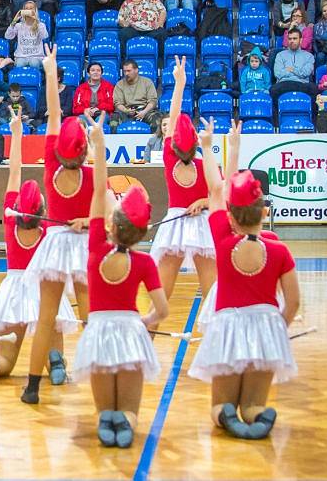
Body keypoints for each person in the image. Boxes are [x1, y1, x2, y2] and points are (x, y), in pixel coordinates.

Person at [190, 121, 299, 440]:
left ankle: (226, 416)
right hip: (265, 328)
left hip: (227, 328)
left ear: (231, 216)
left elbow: (216, 190)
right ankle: (257, 415)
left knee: (220, 404)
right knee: (253, 403)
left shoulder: (223, 241)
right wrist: (277, 330)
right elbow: (292, 302)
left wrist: (210, 145)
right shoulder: (280, 251)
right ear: (263, 213)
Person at [78, 113, 168, 448]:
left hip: (99, 331)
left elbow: (98, 187)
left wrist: (98, 146)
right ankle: (126, 422)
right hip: (130, 331)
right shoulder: (144, 262)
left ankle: (107, 421)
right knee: (129, 410)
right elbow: (161, 310)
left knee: (106, 412)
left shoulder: (95, 248)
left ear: (111, 224)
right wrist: (142, 322)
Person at [0, 107, 77, 387]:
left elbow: (15, 170)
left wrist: (17, 134)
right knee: (51, 359)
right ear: (42, 209)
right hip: (43, 291)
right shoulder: (50, 228)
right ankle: (56, 362)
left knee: (7, 363)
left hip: (13, 292)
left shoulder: (10, 220)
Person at [20, 44, 92, 406]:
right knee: (91, 318)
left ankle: (32, 386)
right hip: (82, 245)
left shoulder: (50, 162)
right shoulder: (92, 174)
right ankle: (100, 379)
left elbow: (53, 112)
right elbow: (107, 216)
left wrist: (50, 72)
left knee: (46, 318)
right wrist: (88, 220)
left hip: (54, 243)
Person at [149, 56, 215, 313]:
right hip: (203, 227)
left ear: (172, 141)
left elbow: (173, 117)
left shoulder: (168, 158)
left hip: (174, 225)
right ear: (198, 142)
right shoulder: (205, 164)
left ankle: (147, 339)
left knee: (160, 300)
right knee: (212, 297)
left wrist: (180, 83)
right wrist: (204, 201)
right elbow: (221, 195)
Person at [112, 58, 160, 131]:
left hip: (145, 110)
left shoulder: (147, 82)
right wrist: (126, 110)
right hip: (127, 111)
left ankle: (154, 141)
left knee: (156, 119)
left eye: (129, 71)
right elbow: (117, 103)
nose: (126, 74)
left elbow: (153, 101)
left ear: (136, 70)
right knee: (113, 121)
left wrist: (144, 112)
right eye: (124, 71)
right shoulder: (120, 84)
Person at [271, 28, 317, 102]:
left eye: (295, 38)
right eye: (290, 39)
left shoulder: (309, 56)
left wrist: (291, 69)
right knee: (273, 89)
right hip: (284, 83)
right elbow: (278, 74)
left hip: (302, 84)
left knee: (314, 89)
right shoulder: (280, 55)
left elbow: (306, 73)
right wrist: (297, 72)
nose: (292, 41)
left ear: (300, 40)